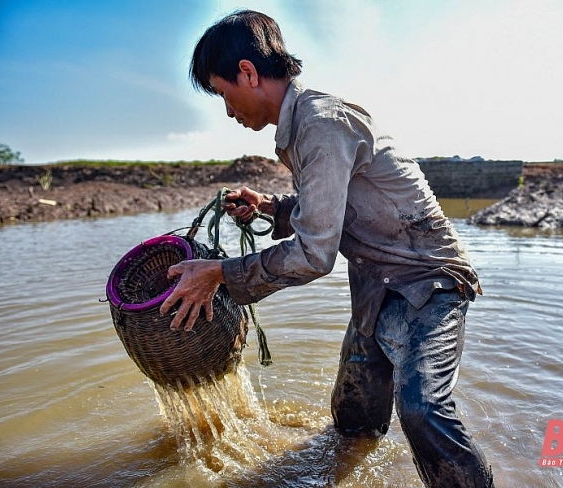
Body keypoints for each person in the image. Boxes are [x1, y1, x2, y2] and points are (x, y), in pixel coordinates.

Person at [160, 10, 494, 487]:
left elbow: (315, 254)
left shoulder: (320, 123)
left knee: (423, 411)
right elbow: (332, 210)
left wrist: (220, 273)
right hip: (377, 286)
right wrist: (270, 207)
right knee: (354, 413)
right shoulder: (302, 128)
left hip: (428, 280)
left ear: (248, 74)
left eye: (223, 93)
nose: (228, 110)